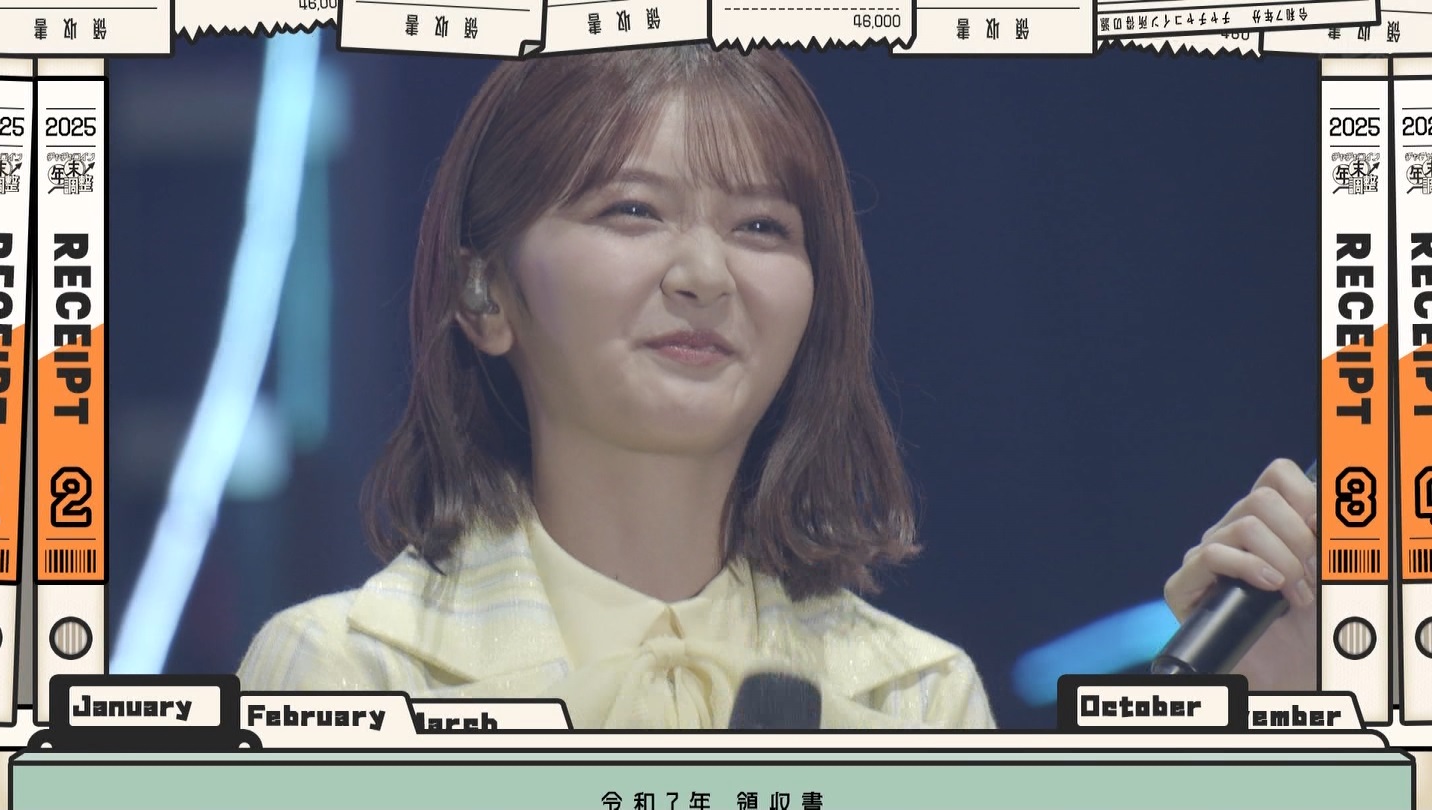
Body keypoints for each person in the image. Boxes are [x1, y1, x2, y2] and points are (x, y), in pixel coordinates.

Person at [238, 45, 1318, 729]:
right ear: (484, 294)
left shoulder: (915, 699)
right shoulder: (344, 674)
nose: (705, 275)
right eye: (632, 211)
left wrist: (1256, 725)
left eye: (761, 227)